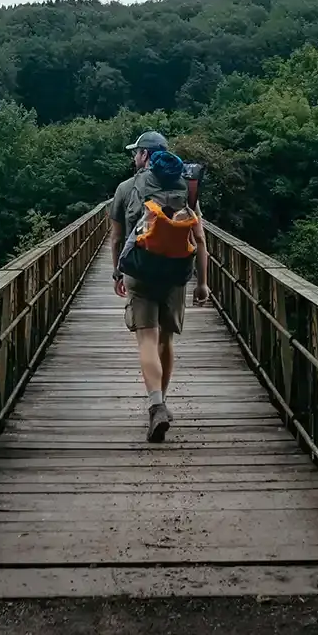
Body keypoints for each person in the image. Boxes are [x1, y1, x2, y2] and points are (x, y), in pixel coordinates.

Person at [110, 131, 208, 442]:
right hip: (176, 274)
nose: (134, 157)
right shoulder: (186, 188)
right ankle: (160, 404)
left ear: (146, 156)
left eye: (137, 152)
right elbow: (200, 239)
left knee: (146, 340)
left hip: (139, 272)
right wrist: (202, 282)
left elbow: (114, 239)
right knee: (166, 341)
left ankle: (156, 404)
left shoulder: (127, 188)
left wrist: (117, 274)